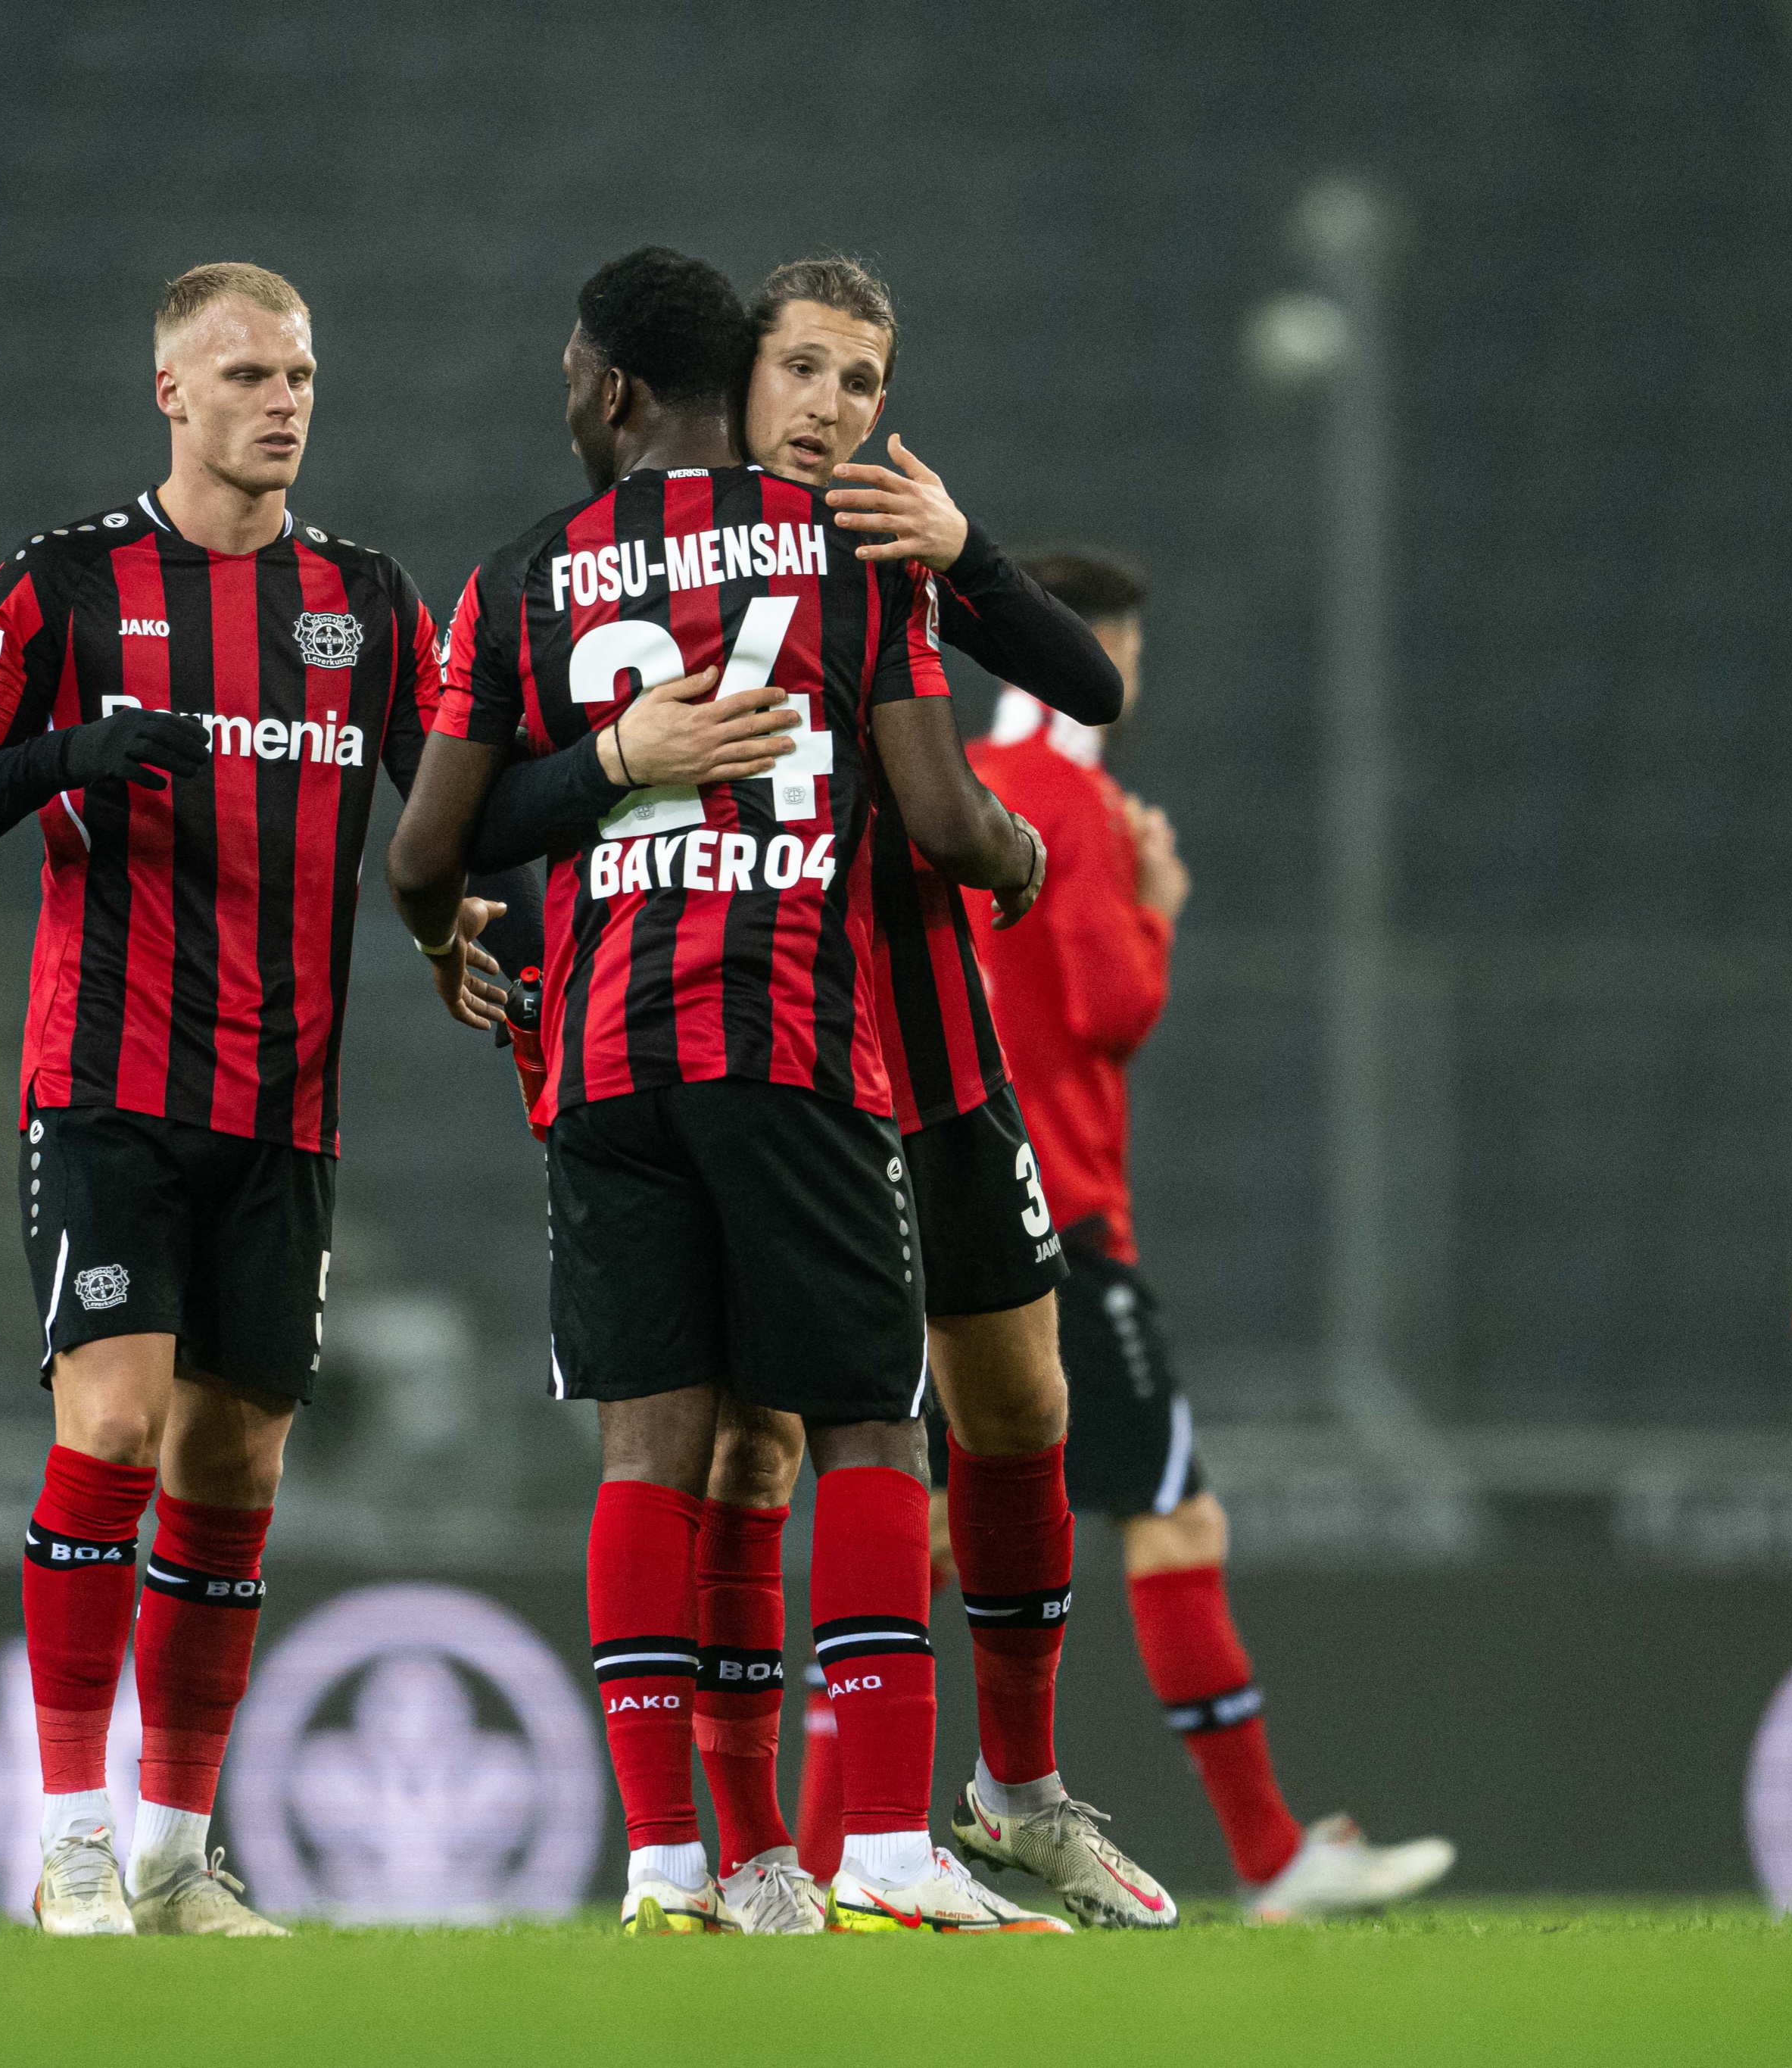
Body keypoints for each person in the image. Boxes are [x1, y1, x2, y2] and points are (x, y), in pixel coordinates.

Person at [389, 247, 1063, 1935]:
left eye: (566, 367)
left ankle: (668, 1864)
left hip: (601, 1059)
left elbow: (422, 851)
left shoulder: (518, 579)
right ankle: (893, 1854)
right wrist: (1016, 854)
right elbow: (930, 812)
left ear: (612, 389)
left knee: (648, 1447)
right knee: (859, 1423)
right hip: (786, 1034)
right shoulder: (839, 561)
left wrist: (459, 922)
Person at [0, 261, 517, 1937]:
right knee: (109, 1428)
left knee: (234, 1470)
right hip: (104, 1087)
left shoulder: (368, 602)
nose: (283, 401)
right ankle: (67, 1837)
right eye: (246, 374)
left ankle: (172, 1853)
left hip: (286, 1107)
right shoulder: (68, 586)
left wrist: (456, 919)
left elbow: (440, 810)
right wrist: (69, 758)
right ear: (168, 390)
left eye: (300, 373)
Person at [656, 256, 1178, 1929]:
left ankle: (1014, 1792)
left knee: (1017, 1402)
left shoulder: (888, 550)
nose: (827, 406)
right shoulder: (660, 553)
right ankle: (750, 1854)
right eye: (800, 369)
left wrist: (970, 554)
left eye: (860, 379)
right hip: (774, 1039)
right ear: (740, 383)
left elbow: (1087, 689)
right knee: (763, 1448)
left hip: (933, 1032)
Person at [954, 547, 1456, 1920]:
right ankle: (1269, 1853)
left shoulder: (950, 787)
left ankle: (827, 1850)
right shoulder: (1081, 800)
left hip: (931, 1206)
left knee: (930, 1535)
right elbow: (1113, 1009)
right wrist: (1158, 911)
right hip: (1065, 1218)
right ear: (1097, 645)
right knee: (1174, 1517)